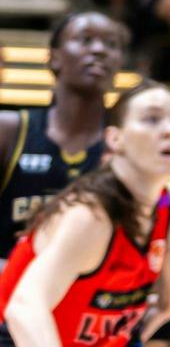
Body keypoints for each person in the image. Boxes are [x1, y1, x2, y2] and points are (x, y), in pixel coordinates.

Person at [0, 82, 170, 347]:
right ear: (114, 139)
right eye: (152, 119)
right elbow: (23, 308)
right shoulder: (91, 217)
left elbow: (169, 305)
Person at [0, 13, 127, 260]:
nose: (99, 50)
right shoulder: (10, 130)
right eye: (85, 39)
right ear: (54, 58)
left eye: (111, 44)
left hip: (89, 291)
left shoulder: (126, 143)